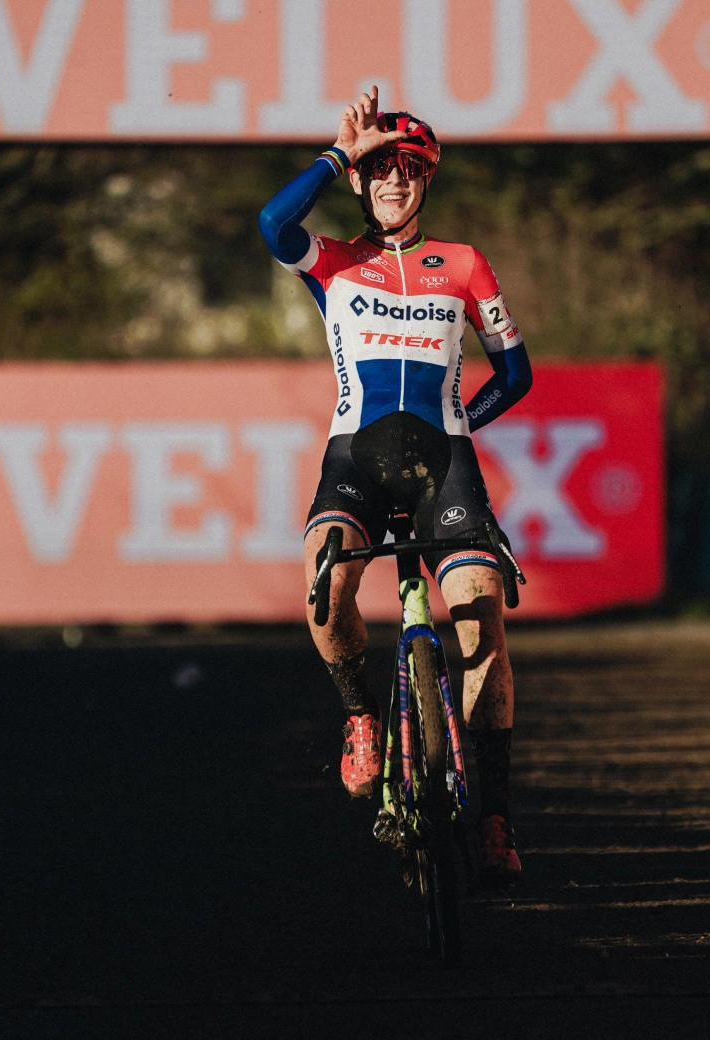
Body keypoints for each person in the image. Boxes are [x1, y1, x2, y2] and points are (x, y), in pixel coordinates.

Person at [259, 87, 532, 887]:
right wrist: (338, 154)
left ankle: (495, 816)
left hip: (444, 460)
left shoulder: (467, 263)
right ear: (361, 181)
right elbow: (275, 225)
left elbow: (514, 373)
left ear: (427, 182)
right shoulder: (335, 261)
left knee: (482, 616)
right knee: (327, 580)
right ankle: (359, 718)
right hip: (357, 458)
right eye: (381, 169)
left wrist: (461, 424)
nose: (395, 181)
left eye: (410, 169)